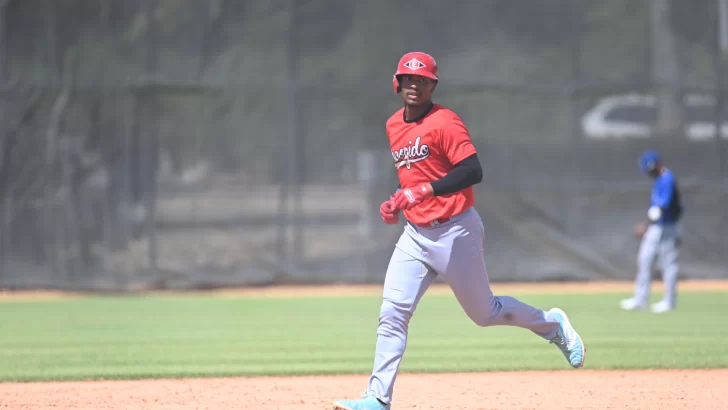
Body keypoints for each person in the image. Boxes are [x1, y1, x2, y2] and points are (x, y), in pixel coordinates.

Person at [332, 51, 585, 410]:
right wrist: (397, 203)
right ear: (397, 83)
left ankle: (552, 324)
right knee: (392, 312)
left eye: (422, 80)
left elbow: (472, 171)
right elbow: (413, 178)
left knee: (486, 315)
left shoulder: (445, 121)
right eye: (408, 78)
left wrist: (425, 191)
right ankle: (377, 398)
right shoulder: (393, 126)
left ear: (433, 86)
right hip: (415, 235)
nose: (414, 85)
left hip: (456, 231)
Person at [620, 150, 683, 314]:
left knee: (668, 264)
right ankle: (641, 299)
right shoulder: (659, 180)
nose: (647, 173)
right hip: (656, 228)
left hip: (667, 227)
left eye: (648, 169)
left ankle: (669, 301)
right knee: (644, 259)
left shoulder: (667, 178)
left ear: (654, 165)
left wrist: (644, 225)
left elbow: (661, 207)